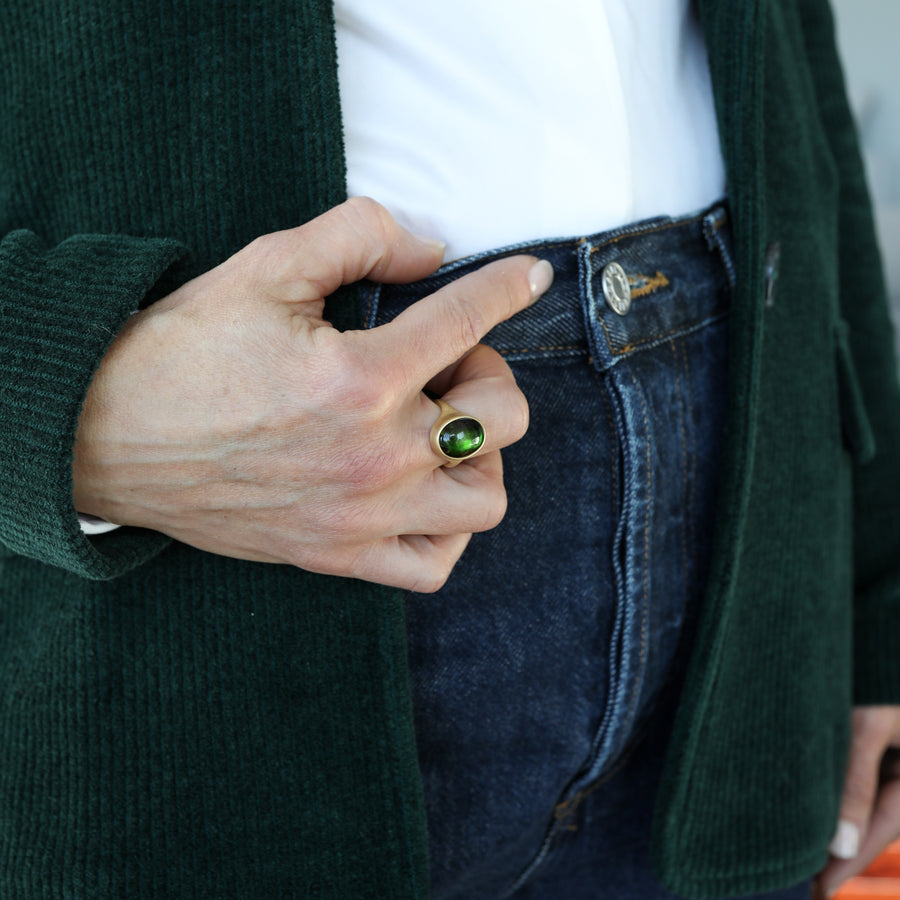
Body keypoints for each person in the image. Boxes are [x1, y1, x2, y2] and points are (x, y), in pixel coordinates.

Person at [0, 2, 898, 899]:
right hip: (204, 597)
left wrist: (878, 599)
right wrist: (70, 407)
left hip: (753, 545)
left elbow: (797, 68)